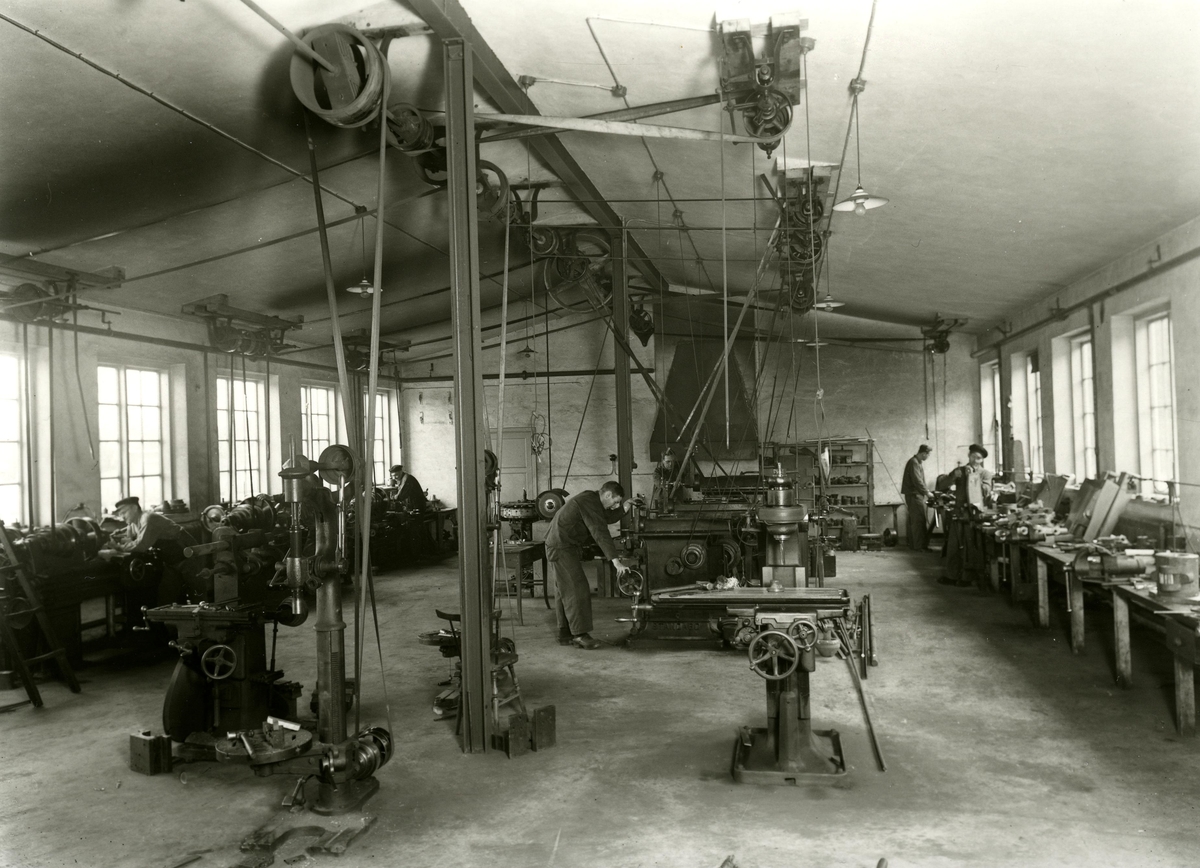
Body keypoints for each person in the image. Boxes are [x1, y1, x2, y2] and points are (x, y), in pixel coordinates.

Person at [544, 481, 632, 649]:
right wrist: (616, 561)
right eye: (615, 501)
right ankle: (580, 635)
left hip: (561, 544)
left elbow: (605, 517)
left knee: (565, 590)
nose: (615, 505)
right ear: (607, 495)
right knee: (577, 588)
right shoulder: (589, 501)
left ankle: (565, 633)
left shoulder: (592, 499)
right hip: (561, 547)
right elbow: (600, 531)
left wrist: (625, 507)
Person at [941, 445, 994, 586]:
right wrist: (953, 476)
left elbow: (986, 491)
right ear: (969, 456)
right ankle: (952, 576)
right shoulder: (960, 471)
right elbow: (943, 485)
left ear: (982, 460)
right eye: (973, 457)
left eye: (979, 458)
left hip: (973, 515)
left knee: (970, 546)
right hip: (959, 512)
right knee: (953, 545)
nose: (975, 460)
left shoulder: (985, 474)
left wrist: (974, 477)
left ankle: (967, 578)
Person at [901, 445, 932, 551]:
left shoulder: (917, 462)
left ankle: (917, 545)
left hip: (915, 495)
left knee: (917, 520)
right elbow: (917, 480)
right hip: (914, 495)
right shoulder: (914, 462)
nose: (928, 457)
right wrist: (927, 492)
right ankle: (919, 547)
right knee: (918, 521)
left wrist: (925, 492)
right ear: (924, 453)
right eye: (928, 455)